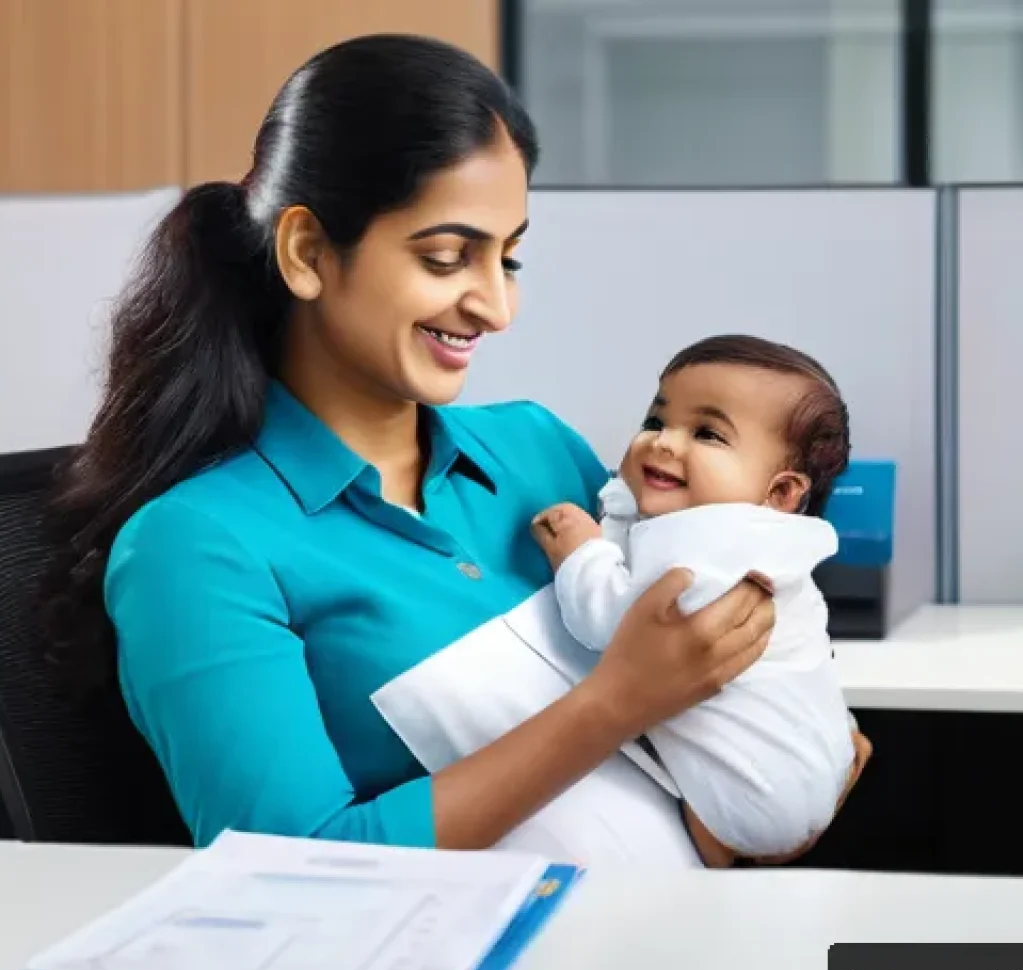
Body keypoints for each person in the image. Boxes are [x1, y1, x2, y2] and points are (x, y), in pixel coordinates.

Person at [43, 34, 870, 863]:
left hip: (682, 928)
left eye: (508, 258)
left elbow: (700, 693)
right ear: (306, 253)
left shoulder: (538, 449)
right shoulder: (199, 545)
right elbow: (286, 865)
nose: (495, 306)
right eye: (446, 257)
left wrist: (771, 791)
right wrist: (617, 701)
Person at [532, 335, 858, 867]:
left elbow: (613, 626)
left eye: (707, 433)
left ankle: (724, 832)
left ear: (780, 493)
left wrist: (578, 553)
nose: (662, 442)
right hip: (822, 752)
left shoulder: (707, 541)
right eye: (658, 422)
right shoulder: (761, 536)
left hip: (760, 792)